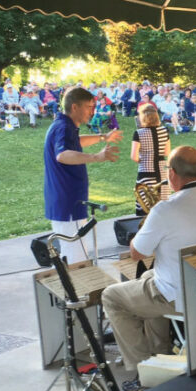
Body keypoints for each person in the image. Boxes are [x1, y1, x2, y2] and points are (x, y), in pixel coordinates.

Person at [100, 146, 196, 381]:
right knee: (147, 280)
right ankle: (160, 356)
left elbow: (136, 253)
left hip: (179, 296)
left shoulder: (165, 209)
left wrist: (146, 226)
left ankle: (140, 369)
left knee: (111, 298)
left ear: (172, 174)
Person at [43, 86, 122, 263]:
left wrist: (103, 137)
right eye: (89, 107)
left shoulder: (65, 126)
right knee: (77, 257)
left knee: (73, 252)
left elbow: (76, 142)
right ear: (74, 107)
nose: (93, 111)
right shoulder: (63, 127)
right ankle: (79, 290)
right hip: (68, 201)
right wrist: (96, 157)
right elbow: (62, 155)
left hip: (67, 199)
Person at [131, 104, 171, 215]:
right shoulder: (164, 130)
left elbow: (133, 156)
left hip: (146, 173)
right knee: (163, 206)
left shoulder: (139, 133)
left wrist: (143, 159)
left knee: (145, 207)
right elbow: (167, 152)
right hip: (162, 171)